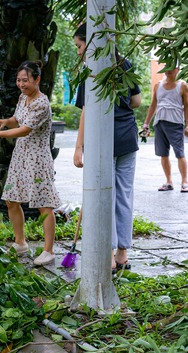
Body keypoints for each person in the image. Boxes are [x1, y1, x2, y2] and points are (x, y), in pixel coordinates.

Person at [72, 23, 141, 272]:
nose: (79, 52)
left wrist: (78, 146)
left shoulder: (91, 72)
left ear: (91, 43)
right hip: (128, 138)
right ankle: (123, 254)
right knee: (124, 195)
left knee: (106, 196)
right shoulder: (126, 64)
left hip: (104, 142)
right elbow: (137, 101)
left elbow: (86, 111)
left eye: (80, 46)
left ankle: (110, 255)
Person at [0, 60, 61, 266]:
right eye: (18, 80)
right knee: (11, 199)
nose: (21, 84)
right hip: (20, 156)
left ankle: (48, 250)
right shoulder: (23, 97)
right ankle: (20, 242)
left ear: (37, 80)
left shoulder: (42, 103)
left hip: (38, 160)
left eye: (26, 80)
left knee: (44, 204)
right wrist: (6, 121)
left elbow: (25, 129)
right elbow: (18, 119)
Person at [142, 66, 188, 193]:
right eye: (166, 67)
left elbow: (187, 107)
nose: (168, 70)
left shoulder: (183, 85)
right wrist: (146, 123)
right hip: (159, 123)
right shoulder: (158, 85)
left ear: (178, 69)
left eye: (172, 68)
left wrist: (187, 125)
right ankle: (169, 182)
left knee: (180, 153)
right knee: (163, 154)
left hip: (175, 123)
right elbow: (153, 105)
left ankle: (185, 182)